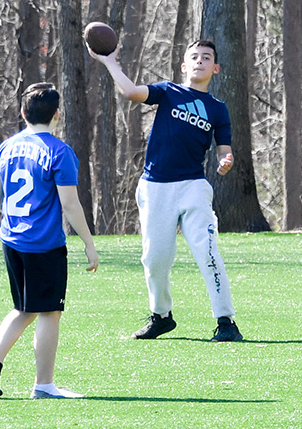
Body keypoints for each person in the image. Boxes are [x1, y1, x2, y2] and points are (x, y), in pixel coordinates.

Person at [89, 39, 244, 342]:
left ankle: (226, 322)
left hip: (193, 185)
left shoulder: (217, 109)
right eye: (194, 57)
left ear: (216, 68)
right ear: (185, 66)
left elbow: (225, 148)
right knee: (155, 258)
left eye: (207, 57)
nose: (200, 61)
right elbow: (132, 92)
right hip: (155, 186)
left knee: (207, 252)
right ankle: (161, 316)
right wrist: (110, 63)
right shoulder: (168, 92)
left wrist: (226, 159)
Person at [0, 83, 99, 399]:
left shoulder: (7, 147)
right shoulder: (59, 152)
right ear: (58, 114)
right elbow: (70, 203)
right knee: (49, 312)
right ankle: (44, 385)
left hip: (11, 241)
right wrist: (88, 242)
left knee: (24, 308)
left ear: (22, 113)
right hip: (44, 245)